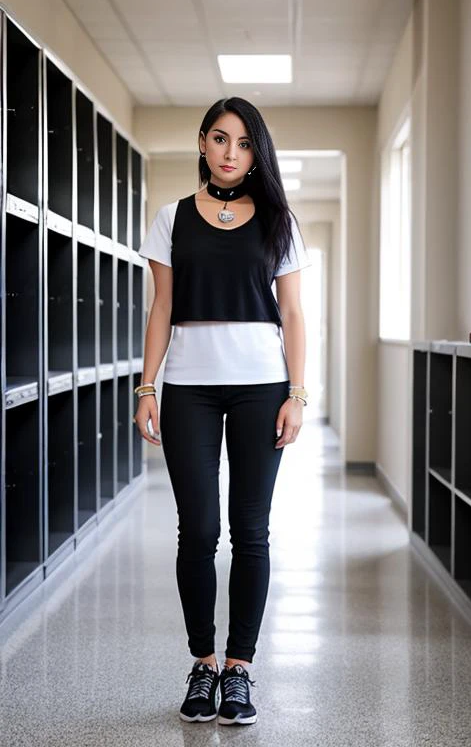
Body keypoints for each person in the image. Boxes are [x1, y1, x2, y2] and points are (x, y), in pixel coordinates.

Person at [134, 96, 311, 726]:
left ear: (255, 150)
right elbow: (161, 309)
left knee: (251, 530)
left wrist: (297, 392)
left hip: (263, 385)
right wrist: (146, 387)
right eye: (219, 139)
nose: (230, 152)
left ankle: (239, 669)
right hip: (190, 388)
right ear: (203, 144)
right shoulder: (171, 218)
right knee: (199, 530)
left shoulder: (278, 222)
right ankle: (202, 664)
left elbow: (291, 314)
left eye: (242, 142)